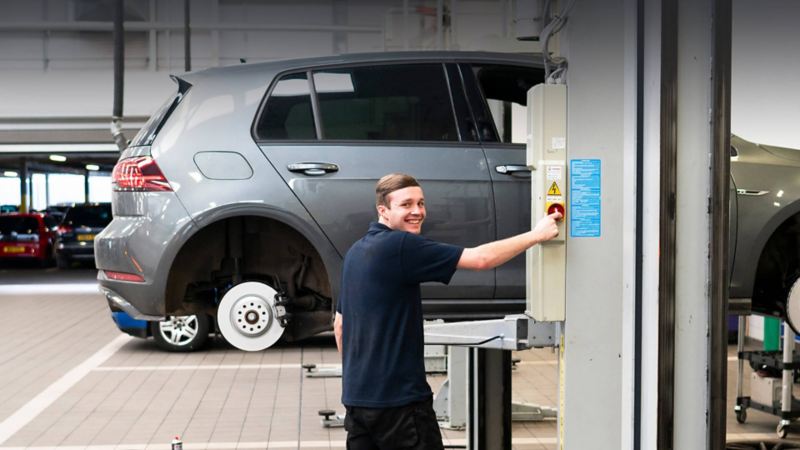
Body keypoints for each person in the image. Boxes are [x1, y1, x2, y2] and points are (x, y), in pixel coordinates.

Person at [334, 173, 561, 450]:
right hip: (401, 405)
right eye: (406, 205)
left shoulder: (355, 252)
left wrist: (358, 380)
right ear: (383, 210)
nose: (417, 211)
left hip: (358, 402)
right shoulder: (401, 245)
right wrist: (538, 234)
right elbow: (481, 259)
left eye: (421, 203)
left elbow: (340, 326)